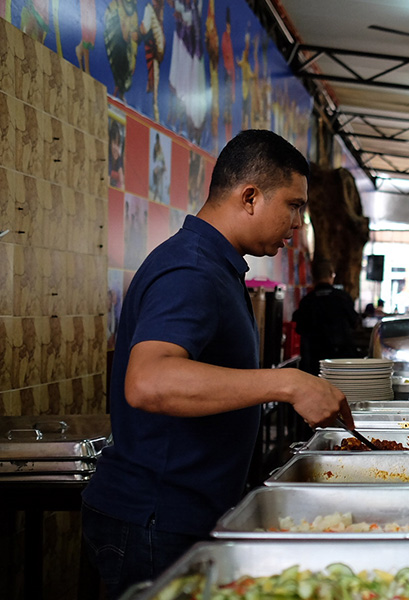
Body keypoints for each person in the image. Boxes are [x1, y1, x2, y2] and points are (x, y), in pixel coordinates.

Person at [81, 130, 353, 598]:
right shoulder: (191, 269)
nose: (298, 224)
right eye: (293, 206)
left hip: (184, 507)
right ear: (250, 197)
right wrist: (285, 384)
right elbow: (148, 381)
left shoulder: (214, 264)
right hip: (156, 515)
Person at [292, 261, 361, 375]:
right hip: (343, 359)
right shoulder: (342, 297)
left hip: (315, 362)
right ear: (331, 275)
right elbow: (354, 322)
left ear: (313, 277)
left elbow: (299, 328)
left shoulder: (306, 301)